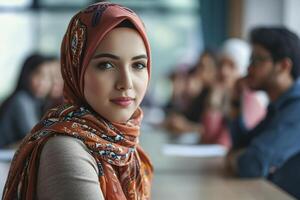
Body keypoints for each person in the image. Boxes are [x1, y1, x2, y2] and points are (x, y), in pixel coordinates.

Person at [2, 3, 153, 200]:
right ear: (75, 70)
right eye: (106, 65)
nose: (126, 83)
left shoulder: (125, 145)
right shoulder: (64, 149)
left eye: (138, 65)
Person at [226, 27, 300, 197]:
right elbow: (241, 145)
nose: (248, 68)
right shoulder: (278, 106)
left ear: (283, 66)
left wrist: (236, 158)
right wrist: (236, 101)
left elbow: (252, 164)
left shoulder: (297, 109)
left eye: (257, 60)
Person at [0, 53, 53, 148]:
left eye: (48, 77)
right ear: (26, 75)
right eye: (38, 74)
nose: (42, 82)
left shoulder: (37, 102)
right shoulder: (21, 100)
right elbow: (36, 137)